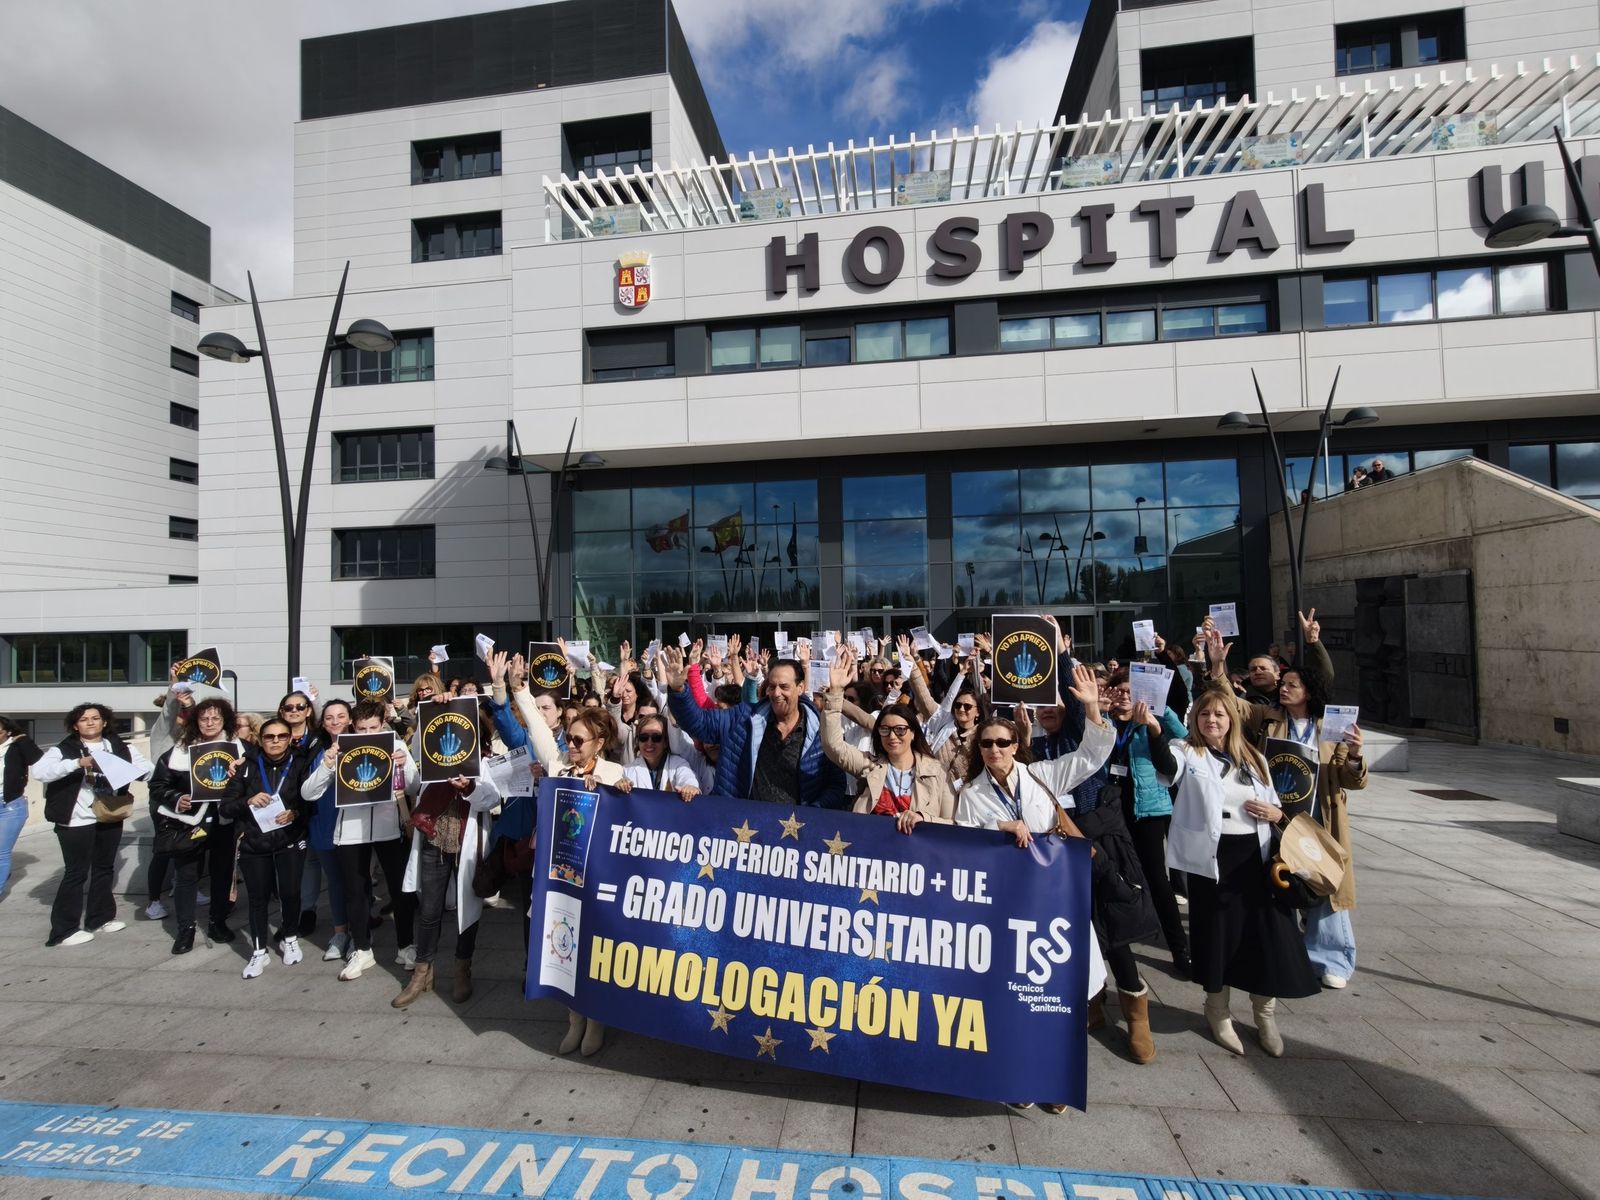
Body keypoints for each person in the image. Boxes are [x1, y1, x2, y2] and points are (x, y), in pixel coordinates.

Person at [956, 675, 1118, 1096]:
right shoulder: (970, 793)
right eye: (987, 743)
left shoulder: (1042, 775)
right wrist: (1000, 826)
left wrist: (1092, 707)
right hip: (1007, 902)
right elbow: (963, 841)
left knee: (1060, 986)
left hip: (1052, 894)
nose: (994, 749)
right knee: (1018, 989)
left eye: (1002, 742)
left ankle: (1056, 1075)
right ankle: (1022, 1073)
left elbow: (1090, 757)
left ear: (1016, 745)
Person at [1161, 686, 1321, 1057]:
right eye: (1204, 714)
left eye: (1219, 714)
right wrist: (1155, 730)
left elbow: (1276, 804)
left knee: (1266, 936)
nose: (1211, 721)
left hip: (1258, 860)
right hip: (1214, 862)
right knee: (1218, 937)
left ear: (1231, 719)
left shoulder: (1254, 756)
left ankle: (1265, 1015)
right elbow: (1167, 767)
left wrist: (1276, 814)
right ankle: (1217, 1011)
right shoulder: (1186, 750)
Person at [511, 680, 630, 1056]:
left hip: (594, 881)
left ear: (599, 742)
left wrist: (614, 793)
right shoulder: (558, 765)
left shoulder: (613, 773)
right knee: (563, 950)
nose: (572, 745)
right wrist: (516, 689)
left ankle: (595, 1021)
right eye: (570, 738)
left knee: (592, 952)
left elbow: (627, 822)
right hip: (559, 878)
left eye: (579, 740)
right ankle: (574, 1020)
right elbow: (536, 727)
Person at [1234, 660, 1367, 989]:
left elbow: (1350, 779)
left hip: (1318, 816)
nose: (1284, 688)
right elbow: (1231, 703)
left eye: (1292, 685)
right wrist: (1218, 664)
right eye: (1284, 683)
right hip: (1276, 814)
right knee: (1279, 881)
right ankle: (1285, 950)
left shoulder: (1330, 727)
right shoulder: (1268, 717)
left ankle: (1332, 959)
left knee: (1324, 880)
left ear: (1309, 691)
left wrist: (1354, 756)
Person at [1074, 671, 1191, 979]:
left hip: (1147, 811)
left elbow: (1184, 735)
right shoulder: (1105, 722)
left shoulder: (1152, 721)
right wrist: (1097, 709)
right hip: (1111, 811)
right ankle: (1122, 936)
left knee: (1156, 879)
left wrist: (1157, 708)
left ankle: (1179, 947)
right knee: (1114, 875)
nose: (1126, 696)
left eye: (1132, 691)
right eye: (1121, 690)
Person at [297, 699, 420, 981]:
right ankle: (362, 949)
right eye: (362, 728)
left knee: (400, 890)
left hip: (389, 828)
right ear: (353, 726)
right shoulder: (341, 749)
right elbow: (308, 793)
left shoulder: (396, 745)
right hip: (351, 830)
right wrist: (328, 765)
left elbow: (414, 786)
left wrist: (403, 767)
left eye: (373, 728)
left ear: (382, 724)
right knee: (355, 892)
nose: (367, 734)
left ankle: (406, 946)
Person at [664, 647, 845, 808]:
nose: (776, 693)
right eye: (772, 686)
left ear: (800, 688)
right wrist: (679, 691)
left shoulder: (821, 732)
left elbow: (836, 784)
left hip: (798, 831)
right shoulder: (743, 718)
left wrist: (814, 811)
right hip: (745, 827)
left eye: (784, 687)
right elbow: (699, 723)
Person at [34, 703, 153, 947]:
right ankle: (64, 930)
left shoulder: (120, 746)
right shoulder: (63, 749)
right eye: (83, 719)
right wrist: (78, 763)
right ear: (75, 726)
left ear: (105, 722)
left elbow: (148, 770)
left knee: (104, 868)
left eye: (95, 718)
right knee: (76, 872)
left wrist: (124, 769)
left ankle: (100, 918)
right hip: (76, 818)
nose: (90, 722)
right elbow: (40, 772)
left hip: (109, 813)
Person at [392, 748, 502, 1009]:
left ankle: (463, 968)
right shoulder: (432, 752)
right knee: (429, 910)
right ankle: (422, 972)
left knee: (467, 910)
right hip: (434, 839)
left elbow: (492, 798)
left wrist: (469, 788)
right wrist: (404, 764)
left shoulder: (481, 758)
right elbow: (415, 787)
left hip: (466, 842)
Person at [147, 696, 242, 953]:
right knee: (187, 876)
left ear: (225, 720)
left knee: (222, 874)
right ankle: (185, 930)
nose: (209, 723)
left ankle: (217, 922)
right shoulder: (179, 750)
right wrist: (177, 798)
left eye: (215, 718)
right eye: (204, 718)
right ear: (196, 721)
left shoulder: (240, 749)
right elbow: (157, 785)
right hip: (189, 822)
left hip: (225, 821)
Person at [822, 649, 954, 830]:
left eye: (900, 730)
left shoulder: (937, 772)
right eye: (885, 730)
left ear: (913, 733)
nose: (892, 736)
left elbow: (954, 825)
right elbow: (833, 746)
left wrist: (924, 818)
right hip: (871, 844)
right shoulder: (870, 766)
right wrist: (836, 692)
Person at [224, 716, 312, 978]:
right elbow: (225, 807)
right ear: (260, 740)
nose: (275, 741)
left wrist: (295, 812)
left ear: (290, 738)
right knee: (258, 897)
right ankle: (259, 951)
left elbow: (311, 800)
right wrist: (247, 801)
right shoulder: (245, 766)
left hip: (289, 838)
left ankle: (290, 937)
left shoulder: (300, 762)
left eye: (281, 736)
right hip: (254, 841)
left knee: (291, 892)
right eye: (269, 737)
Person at [295, 700, 353, 952]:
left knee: (356, 880)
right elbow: (308, 791)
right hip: (324, 820)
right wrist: (327, 764)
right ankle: (340, 932)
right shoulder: (316, 748)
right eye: (329, 717)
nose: (335, 721)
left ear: (350, 719)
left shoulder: (366, 741)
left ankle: (360, 933)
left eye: (341, 716)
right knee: (335, 880)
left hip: (355, 822)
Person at [0, 715, 43, 901]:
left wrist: (23, 740)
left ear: (7, 732)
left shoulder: (17, 746)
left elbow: (38, 760)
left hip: (9, 805)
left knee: (0, 852)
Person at [621, 713, 701, 800]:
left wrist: (690, 787)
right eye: (644, 737)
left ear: (665, 742)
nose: (649, 743)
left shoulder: (679, 764)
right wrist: (620, 786)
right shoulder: (627, 771)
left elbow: (688, 779)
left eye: (656, 737)